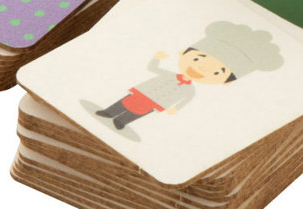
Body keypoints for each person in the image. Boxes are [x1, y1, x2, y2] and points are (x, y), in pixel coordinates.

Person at [94, 20, 283, 130]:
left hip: (159, 101)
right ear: (183, 53)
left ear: (226, 82)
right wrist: (156, 59)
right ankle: (109, 112)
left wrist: (176, 109)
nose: (202, 68)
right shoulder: (170, 75)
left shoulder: (189, 90)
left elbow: (186, 99)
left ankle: (121, 121)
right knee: (127, 102)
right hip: (145, 91)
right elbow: (154, 69)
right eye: (198, 58)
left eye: (217, 72)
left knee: (139, 111)